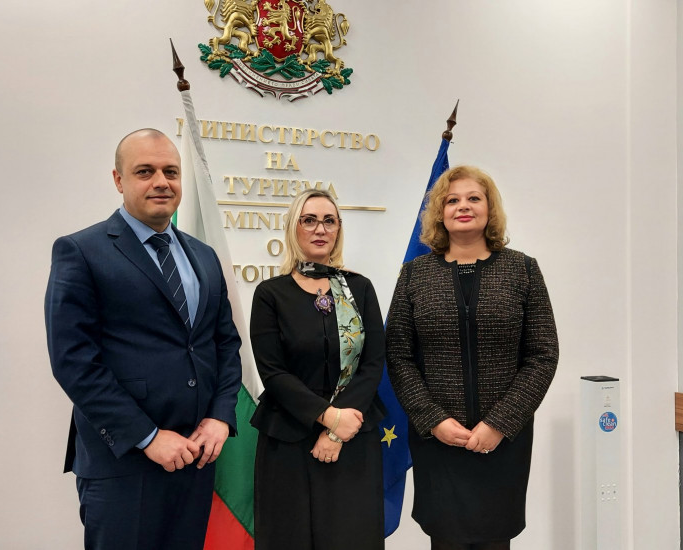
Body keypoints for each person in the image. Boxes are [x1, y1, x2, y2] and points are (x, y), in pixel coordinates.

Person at [44, 128, 242, 550]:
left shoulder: (204, 255)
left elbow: (225, 343)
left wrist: (221, 417)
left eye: (171, 171)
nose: (161, 182)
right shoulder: (81, 251)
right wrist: (147, 436)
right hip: (124, 464)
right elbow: (73, 361)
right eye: (145, 171)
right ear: (119, 180)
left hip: (195, 457)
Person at [386, 165, 559, 550]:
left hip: (502, 442)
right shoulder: (414, 275)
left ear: (489, 208)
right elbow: (398, 355)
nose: (463, 206)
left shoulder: (523, 269)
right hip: (438, 441)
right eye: (452, 200)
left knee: (495, 538)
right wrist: (433, 420)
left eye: (473, 198)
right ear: (440, 213)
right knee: (445, 538)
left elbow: (543, 355)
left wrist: (499, 423)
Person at [249, 189, 386, 550]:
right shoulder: (270, 293)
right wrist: (328, 417)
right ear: (293, 228)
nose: (320, 229)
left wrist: (339, 429)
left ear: (339, 229)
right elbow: (273, 372)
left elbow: (373, 363)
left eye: (329, 221)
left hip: (354, 436)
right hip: (288, 439)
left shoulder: (360, 288)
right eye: (309, 220)